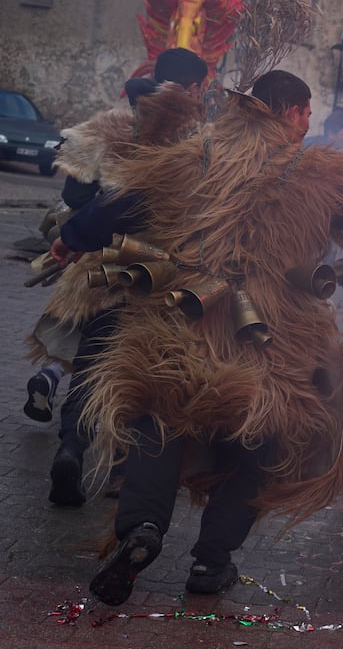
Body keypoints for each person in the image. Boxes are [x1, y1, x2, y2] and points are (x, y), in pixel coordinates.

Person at [52, 71, 343, 604]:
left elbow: (125, 203)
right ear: (290, 113)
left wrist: (69, 239)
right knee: (265, 436)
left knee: (162, 412)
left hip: (182, 316)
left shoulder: (194, 156)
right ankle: (211, 559)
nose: (308, 126)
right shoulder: (314, 175)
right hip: (266, 332)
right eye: (306, 115)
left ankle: (142, 529)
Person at [26, 48, 209, 506]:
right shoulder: (196, 140)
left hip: (100, 264)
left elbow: (74, 192)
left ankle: (71, 446)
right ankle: (121, 472)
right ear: (193, 88)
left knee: (89, 363)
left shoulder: (108, 126)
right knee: (145, 374)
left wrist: (72, 236)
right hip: (163, 274)